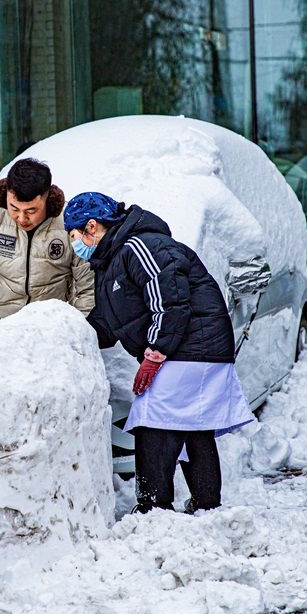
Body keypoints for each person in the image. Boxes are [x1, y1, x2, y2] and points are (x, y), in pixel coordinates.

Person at [64, 192, 255, 514]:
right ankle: (207, 505)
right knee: (194, 429)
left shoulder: (140, 246)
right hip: (192, 348)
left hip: (190, 348)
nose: (75, 245)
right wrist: (71, 335)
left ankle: (152, 508)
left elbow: (170, 300)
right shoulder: (112, 261)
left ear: (92, 227)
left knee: (154, 426)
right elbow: (111, 322)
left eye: (74, 235)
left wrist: (155, 352)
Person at [0, 158, 94, 326]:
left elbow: (88, 286)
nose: (22, 218)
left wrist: (79, 327)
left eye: (31, 210)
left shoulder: (70, 222)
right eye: (14, 208)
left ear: (49, 200)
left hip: (51, 327)